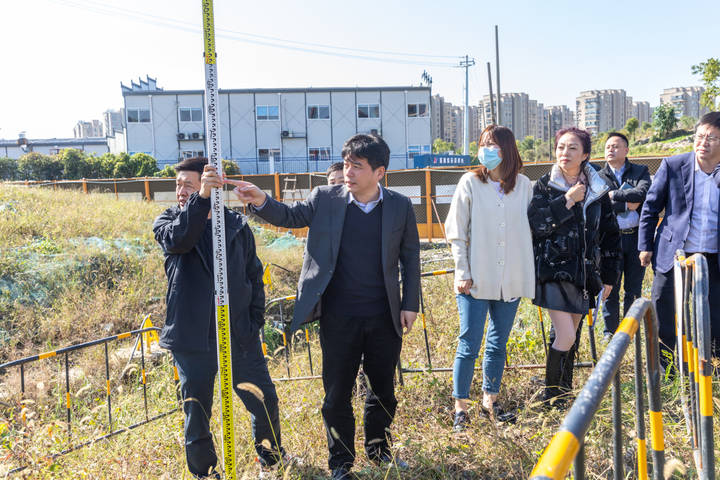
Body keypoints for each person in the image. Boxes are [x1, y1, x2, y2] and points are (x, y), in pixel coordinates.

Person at [226, 134, 420, 480]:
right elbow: (290, 215)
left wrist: (410, 304)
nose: (348, 172)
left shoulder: (399, 206)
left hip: (383, 314)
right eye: (346, 164)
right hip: (338, 315)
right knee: (336, 394)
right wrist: (261, 200)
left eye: (357, 166)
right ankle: (341, 463)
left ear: (379, 172)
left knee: (383, 390)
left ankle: (379, 451)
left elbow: (410, 257)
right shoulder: (326, 198)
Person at [153, 157, 292, 479]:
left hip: (239, 333)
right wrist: (200, 200)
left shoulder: (236, 224)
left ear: (214, 184)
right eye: (180, 185)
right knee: (197, 410)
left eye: (190, 184)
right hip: (191, 337)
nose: (182, 191)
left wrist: (254, 319)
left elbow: (253, 274)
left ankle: (271, 462)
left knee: (263, 399)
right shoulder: (169, 221)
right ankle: (205, 472)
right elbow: (181, 239)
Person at [445, 125, 535, 430]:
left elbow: (532, 229)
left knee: (498, 343)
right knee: (468, 343)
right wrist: (462, 272)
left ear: (508, 150)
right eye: (484, 145)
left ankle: (491, 400)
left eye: (494, 145)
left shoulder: (523, 186)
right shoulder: (470, 182)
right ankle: (460, 407)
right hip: (475, 279)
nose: (487, 150)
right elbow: (456, 232)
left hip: (509, 278)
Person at [528, 127, 621, 406]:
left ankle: (562, 396)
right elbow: (537, 225)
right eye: (560, 148)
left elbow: (609, 233)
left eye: (571, 148)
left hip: (584, 273)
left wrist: (609, 275)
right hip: (553, 271)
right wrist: (568, 200)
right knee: (565, 335)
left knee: (572, 337)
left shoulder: (598, 188)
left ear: (585, 155)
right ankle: (550, 395)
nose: (564, 154)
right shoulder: (544, 185)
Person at [639, 112, 720, 369]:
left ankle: (712, 371)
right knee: (664, 311)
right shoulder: (674, 166)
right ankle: (667, 371)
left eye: (712, 138)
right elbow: (650, 208)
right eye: (700, 136)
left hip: (714, 256)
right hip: (676, 253)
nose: (703, 142)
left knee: (715, 316)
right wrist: (645, 246)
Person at [597, 132, 651, 342]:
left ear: (626, 150)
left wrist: (613, 196)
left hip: (635, 238)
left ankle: (631, 329)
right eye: (608, 146)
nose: (611, 149)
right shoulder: (598, 175)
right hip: (610, 239)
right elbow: (599, 201)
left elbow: (643, 193)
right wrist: (626, 204)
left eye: (616, 146)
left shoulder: (640, 170)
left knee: (633, 287)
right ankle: (610, 333)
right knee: (610, 285)